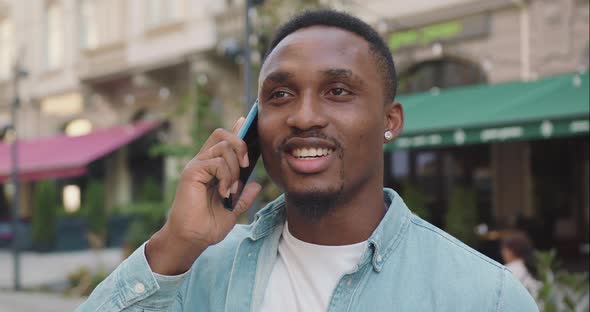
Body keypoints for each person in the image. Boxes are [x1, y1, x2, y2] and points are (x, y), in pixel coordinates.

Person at [77, 10, 538, 311]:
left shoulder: (485, 297)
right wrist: (176, 243)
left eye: (338, 91)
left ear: (390, 120)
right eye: (280, 95)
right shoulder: (197, 272)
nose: (304, 116)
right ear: (254, 126)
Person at [501, 231, 542, 297]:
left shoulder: (507, 270)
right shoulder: (541, 268)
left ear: (511, 250)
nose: (502, 253)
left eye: (504, 250)